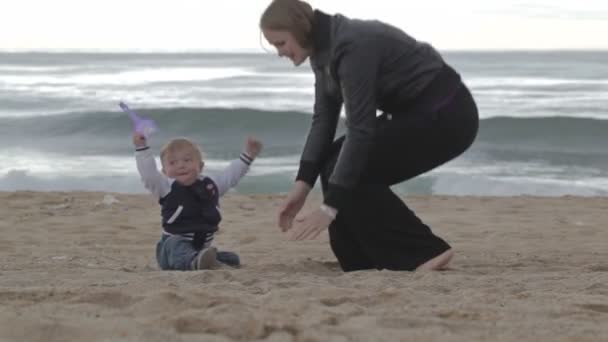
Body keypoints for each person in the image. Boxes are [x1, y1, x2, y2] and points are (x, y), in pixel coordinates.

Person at [260, 0, 479, 271]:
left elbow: (360, 130)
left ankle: (425, 253)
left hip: (447, 115)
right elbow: (323, 120)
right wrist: (302, 186)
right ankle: (358, 260)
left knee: (357, 165)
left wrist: (329, 209)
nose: (279, 53)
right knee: (335, 162)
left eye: (280, 43)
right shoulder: (323, 50)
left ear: (300, 29)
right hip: (414, 114)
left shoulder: (351, 45)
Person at [133, 132, 262, 270]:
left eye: (187, 160)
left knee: (232, 259)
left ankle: (200, 260)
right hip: (170, 250)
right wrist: (142, 149)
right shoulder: (166, 187)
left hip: (199, 248)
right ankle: (193, 262)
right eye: (173, 162)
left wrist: (248, 156)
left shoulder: (210, 186)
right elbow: (149, 175)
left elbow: (230, 176)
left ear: (200, 166)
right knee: (176, 244)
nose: (181, 165)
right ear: (164, 171)